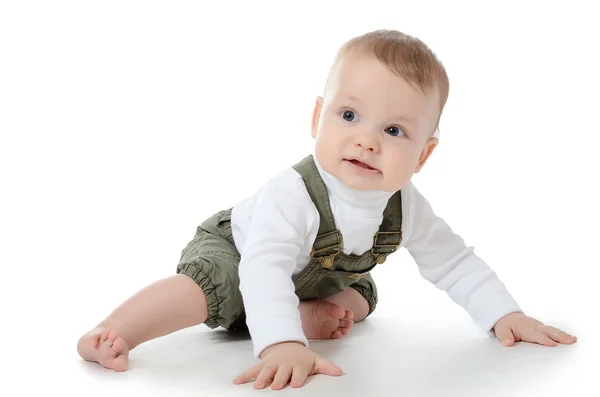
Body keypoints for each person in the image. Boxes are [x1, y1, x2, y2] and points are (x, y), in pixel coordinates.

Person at [77, 29, 577, 390]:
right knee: (212, 290)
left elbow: (453, 261)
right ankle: (113, 331)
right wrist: (281, 346)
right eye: (350, 115)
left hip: (311, 277)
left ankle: (301, 314)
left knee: (360, 298)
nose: (366, 140)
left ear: (423, 155)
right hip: (241, 250)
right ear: (319, 117)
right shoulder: (290, 194)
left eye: (394, 130)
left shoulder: (403, 205)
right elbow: (265, 265)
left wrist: (504, 314)